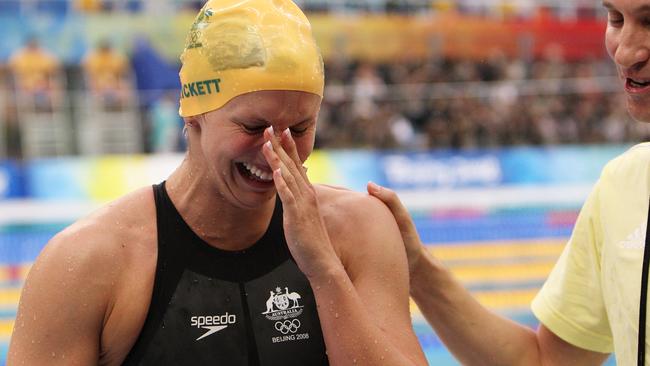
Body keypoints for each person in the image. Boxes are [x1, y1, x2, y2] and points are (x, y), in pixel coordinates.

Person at [7, 1, 427, 365]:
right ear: (193, 114)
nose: (276, 150)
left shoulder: (359, 232)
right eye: (253, 125)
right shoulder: (87, 265)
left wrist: (324, 270)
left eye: (299, 128)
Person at [367, 0, 650, 364]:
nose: (625, 51)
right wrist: (418, 268)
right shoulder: (622, 184)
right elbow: (545, 360)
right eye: (615, 19)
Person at [8, 37, 63, 112]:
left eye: (35, 45)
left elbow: (55, 69)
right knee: (14, 92)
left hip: (42, 84)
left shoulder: (45, 54)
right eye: (31, 45)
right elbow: (12, 70)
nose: (33, 47)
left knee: (55, 88)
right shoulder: (19, 55)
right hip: (24, 85)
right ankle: (18, 117)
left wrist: (44, 82)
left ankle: (52, 113)